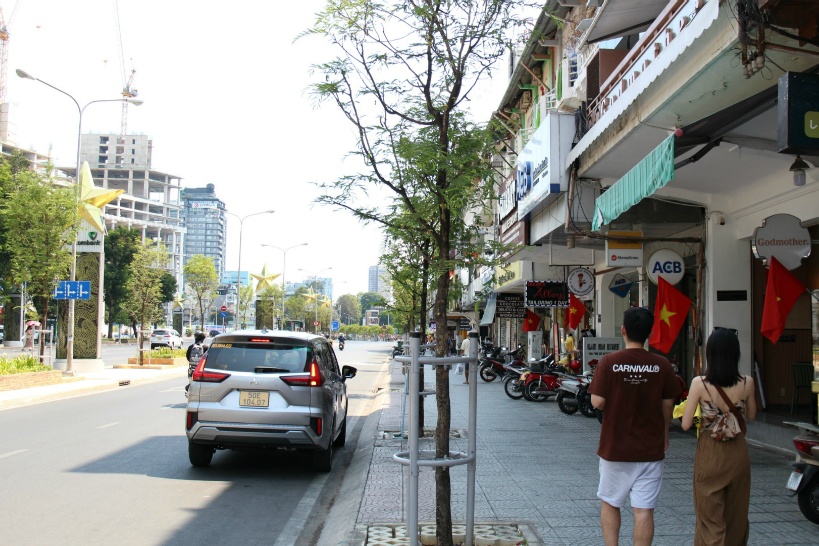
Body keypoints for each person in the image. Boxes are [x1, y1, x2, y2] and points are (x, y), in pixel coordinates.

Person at [589, 306, 681, 546]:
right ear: (649, 333)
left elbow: (597, 402)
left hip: (615, 448)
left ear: (623, 331)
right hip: (650, 448)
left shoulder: (609, 362)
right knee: (644, 510)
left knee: (610, 502)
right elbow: (667, 405)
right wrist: (664, 436)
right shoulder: (661, 365)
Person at [682, 327, 756, 545]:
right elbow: (751, 416)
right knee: (736, 516)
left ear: (710, 353)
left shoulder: (699, 383)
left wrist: (703, 421)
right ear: (736, 353)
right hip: (738, 453)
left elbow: (686, 424)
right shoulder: (747, 382)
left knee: (709, 518)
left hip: (709, 452)